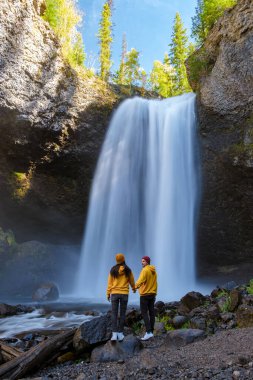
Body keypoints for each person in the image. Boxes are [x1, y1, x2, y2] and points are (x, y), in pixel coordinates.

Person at [107, 253, 135, 341]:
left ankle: (114, 334)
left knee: (114, 314)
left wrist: (108, 293)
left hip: (114, 293)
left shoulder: (113, 270)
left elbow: (110, 283)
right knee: (122, 314)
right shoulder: (128, 270)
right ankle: (120, 333)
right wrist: (134, 289)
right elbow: (132, 281)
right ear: (123, 259)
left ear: (116, 260)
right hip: (124, 294)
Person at [135, 256, 157, 341]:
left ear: (147, 262)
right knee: (152, 313)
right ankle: (151, 331)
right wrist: (155, 293)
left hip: (145, 295)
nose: (142, 263)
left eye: (143, 261)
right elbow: (155, 283)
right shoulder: (153, 271)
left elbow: (140, 281)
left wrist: (134, 287)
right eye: (142, 261)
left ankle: (148, 332)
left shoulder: (145, 270)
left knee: (144, 313)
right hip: (152, 294)